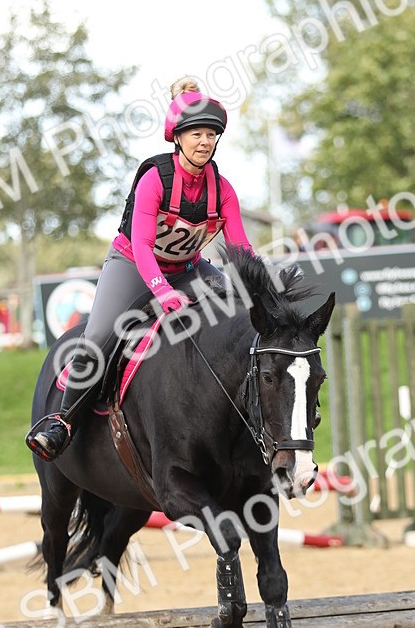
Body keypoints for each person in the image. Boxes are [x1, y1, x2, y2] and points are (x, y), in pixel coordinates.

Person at [27, 76, 255, 461]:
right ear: (177, 138)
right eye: (196, 134)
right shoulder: (154, 179)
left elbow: (241, 249)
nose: (205, 142)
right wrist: (162, 290)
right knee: (99, 335)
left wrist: (261, 287)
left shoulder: (224, 190)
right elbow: (144, 247)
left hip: (189, 268)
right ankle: (63, 422)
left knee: (242, 314)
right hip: (133, 265)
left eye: (211, 135)